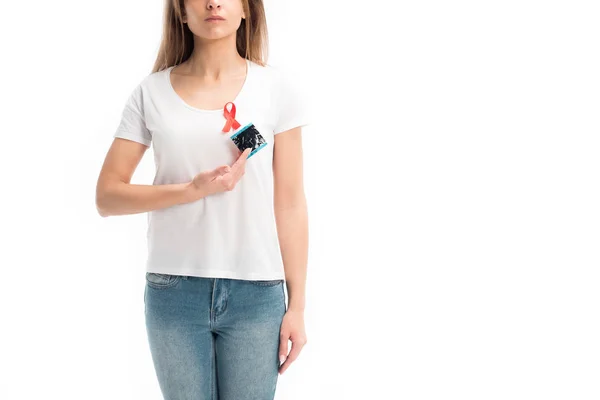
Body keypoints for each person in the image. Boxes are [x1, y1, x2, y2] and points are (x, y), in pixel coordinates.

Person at [95, 0, 310, 398]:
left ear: (247, 10)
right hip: (174, 291)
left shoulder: (276, 89)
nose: (213, 3)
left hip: (257, 292)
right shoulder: (151, 92)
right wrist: (191, 191)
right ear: (180, 12)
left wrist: (296, 306)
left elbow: (291, 203)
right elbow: (107, 197)